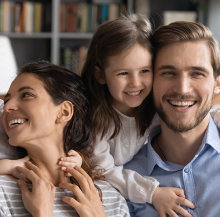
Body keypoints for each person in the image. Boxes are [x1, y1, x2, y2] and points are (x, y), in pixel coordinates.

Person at [68, 13, 194, 217]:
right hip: (105, 188)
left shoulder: (154, 105)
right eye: (123, 73)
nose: (136, 83)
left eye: (144, 71)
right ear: (101, 75)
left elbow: (187, 114)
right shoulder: (96, 118)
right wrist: (152, 193)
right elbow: (104, 172)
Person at [0, 61, 130, 217]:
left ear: (64, 112)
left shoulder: (110, 199)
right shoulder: (3, 192)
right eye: (7, 100)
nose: (7, 107)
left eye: (26, 95)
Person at [124, 21, 220, 217]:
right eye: (168, 73)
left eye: (197, 73)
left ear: (217, 84)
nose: (182, 89)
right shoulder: (126, 178)